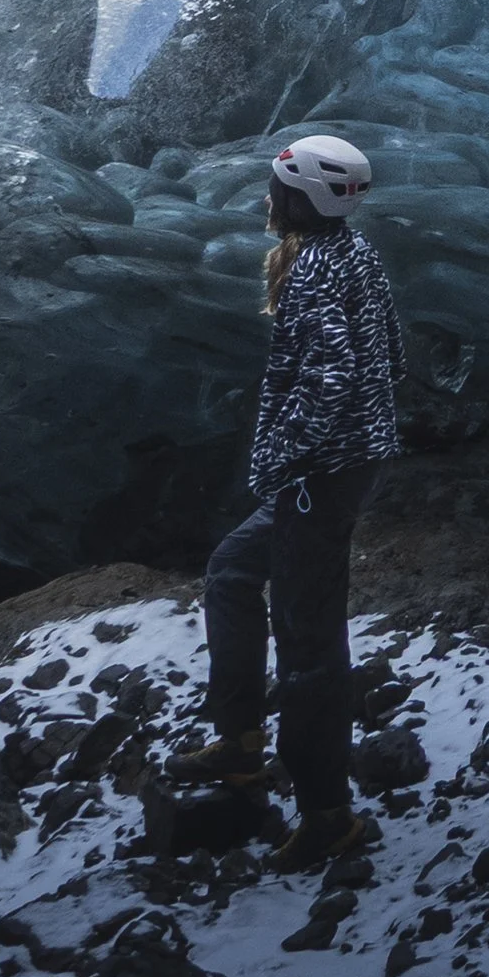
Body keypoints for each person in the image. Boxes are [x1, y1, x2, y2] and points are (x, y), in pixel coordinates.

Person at [182, 132, 405, 866]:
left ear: (299, 197)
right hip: (343, 463)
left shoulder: (312, 269)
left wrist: (280, 456)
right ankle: (241, 741)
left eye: (276, 187)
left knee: (308, 640)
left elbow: (330, 379)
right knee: (232, 572)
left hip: (320, 474)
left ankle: (326, 814)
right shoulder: (356, 252)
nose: (267, 198)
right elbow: (392, 351)